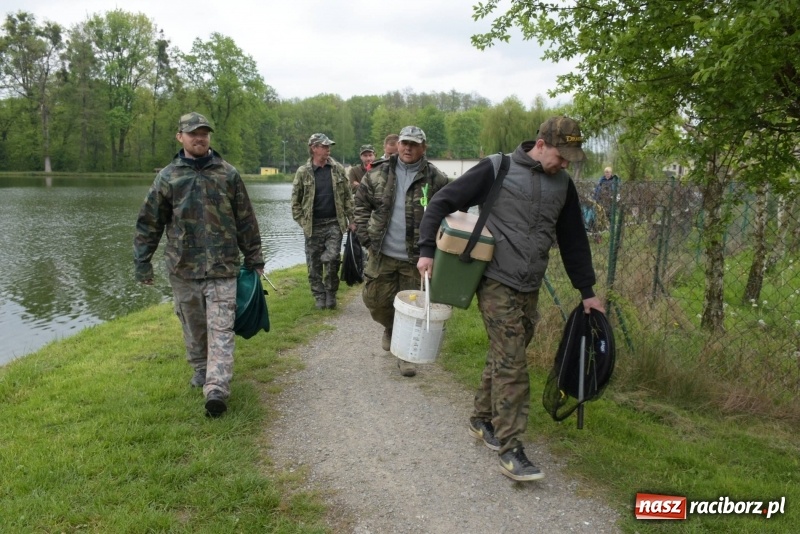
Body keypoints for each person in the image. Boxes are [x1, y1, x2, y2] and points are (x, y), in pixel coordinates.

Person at [416, 116, 605, 481]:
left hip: (529, 285)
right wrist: (426, 250)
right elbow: (442, 201)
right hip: (495, 281)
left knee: (504, 355)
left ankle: (481, 418)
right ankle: (511, 448)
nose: (565, 164)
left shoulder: (563, 185)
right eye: (561, 156)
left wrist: (587, 292)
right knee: (513, 363)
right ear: (541, 145)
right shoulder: (497, 168)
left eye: (570, 159)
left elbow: (574, 240)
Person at [133, 111, 264, 418]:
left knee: (221, 328)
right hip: (183, 268)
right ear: (180, 137)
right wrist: (142, 263)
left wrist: (254, 257)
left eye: (204, 133)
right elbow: (149, 223)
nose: (199, 138)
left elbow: (246, 218)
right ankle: (200, 368)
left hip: (223, 267)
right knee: (194, 327)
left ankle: (217, 388)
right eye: (193, 133)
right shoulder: (168, 177)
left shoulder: (228, 174)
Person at [354, 126, 449, 377]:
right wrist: (366, 237)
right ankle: (390, 327)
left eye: (414, 144)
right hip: (382, 253)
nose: (408, 148)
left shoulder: (436, 179)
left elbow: (449, 213)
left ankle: (405, 356)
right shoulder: (377, 173)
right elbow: (360, 205)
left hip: (416, 257)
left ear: (423, 148)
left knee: (413, 308)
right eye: (405, 143)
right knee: (376, 302)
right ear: (397, 145)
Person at [292, 133, 356, 310]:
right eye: (324, 146)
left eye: (329, 146)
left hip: (334, 223)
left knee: (333, 259)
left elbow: (348, 197)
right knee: (314, 264)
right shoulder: (303, 172)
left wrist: (352, 219)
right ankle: (319, 296)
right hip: (312, 225)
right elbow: (295, 202)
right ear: (314, 148)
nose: (328, 149)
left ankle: (331, 293)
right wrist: (303, 222)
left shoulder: (338, 169)